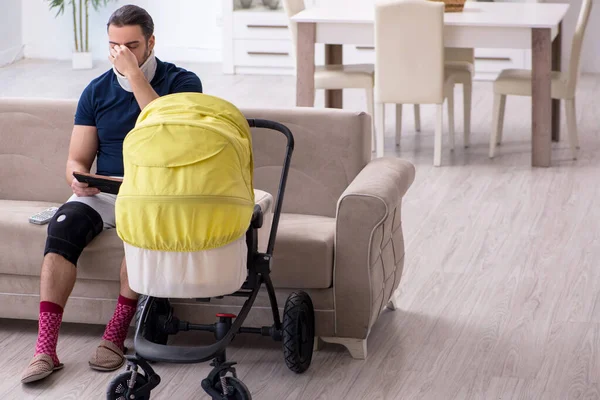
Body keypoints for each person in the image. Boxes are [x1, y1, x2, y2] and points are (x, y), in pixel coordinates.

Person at [21, 4, 203, 384]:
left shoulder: (184, 83)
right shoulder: (96, 90)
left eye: (132, 45)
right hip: (106, 190)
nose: (121, 54)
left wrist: (135, 76)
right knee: (63, 226)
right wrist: (77, 178)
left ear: (151, 42)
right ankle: (45, 348)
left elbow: (166, 132)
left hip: (156, 192)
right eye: (114, 46)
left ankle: (115, 336)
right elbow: (77, 157)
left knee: (138, 238)